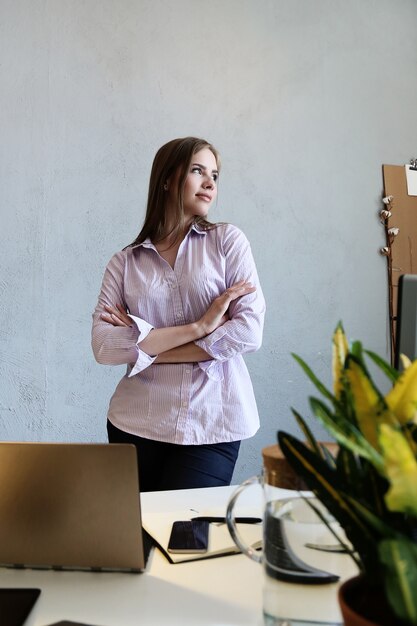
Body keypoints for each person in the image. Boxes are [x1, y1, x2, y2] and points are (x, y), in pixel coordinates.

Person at [91, 137, 265, 491]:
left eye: (214, 174)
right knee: (137, 538)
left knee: (188, 540)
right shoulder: (125, 263)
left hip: (211, 421)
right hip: (134, 421)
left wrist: (148, 351)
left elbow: (247, 332)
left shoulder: (228, 242)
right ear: (168, 179)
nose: (210, 183)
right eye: (198, 171)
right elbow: (105, 347)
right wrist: (201, 327)